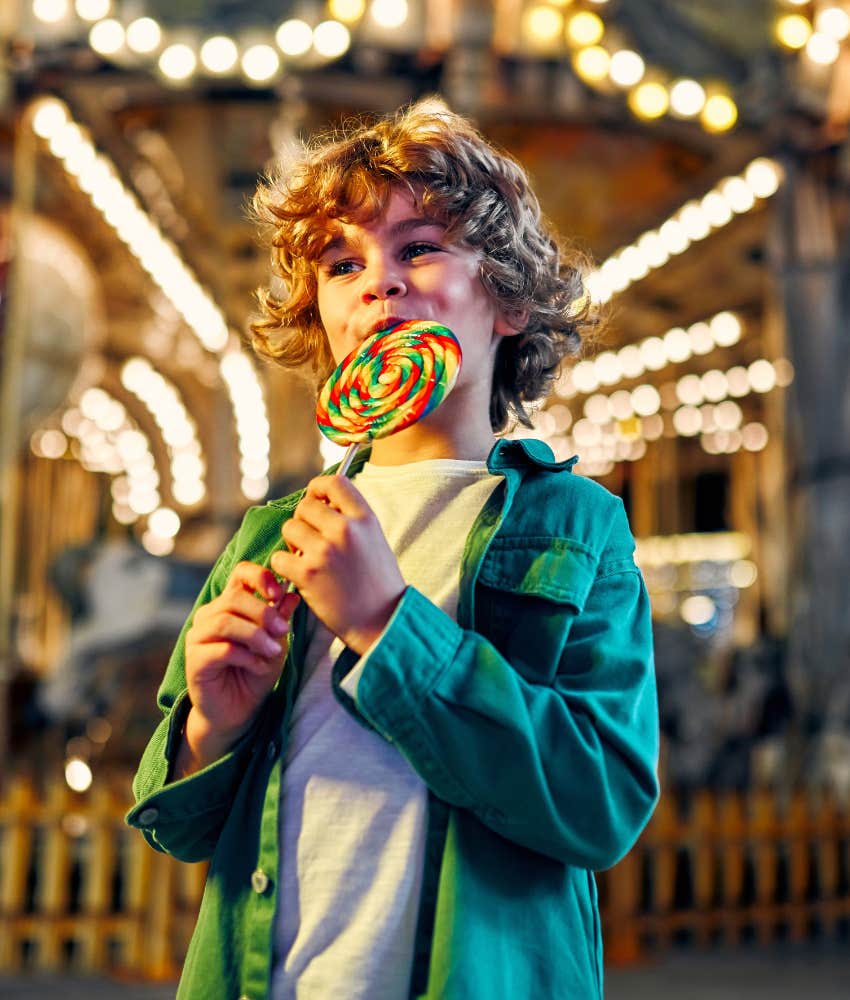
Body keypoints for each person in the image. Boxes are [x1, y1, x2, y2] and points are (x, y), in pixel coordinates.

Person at [127, 98, 659, 1000]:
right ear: (322, 321)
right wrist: (212, 725)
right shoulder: (271, 531)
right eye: (343, 264)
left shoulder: (574, 524)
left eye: (419, 248)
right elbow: (178, 826)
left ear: (511, 304)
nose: (378, 282)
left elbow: (600, 802)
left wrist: (384, 621)